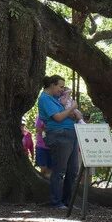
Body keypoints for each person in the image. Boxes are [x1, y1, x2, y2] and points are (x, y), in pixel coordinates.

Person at [38, 74, 82, 209]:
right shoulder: (45, 99)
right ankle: (56, 201)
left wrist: (70, 110)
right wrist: (71, 108)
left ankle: (67, 200)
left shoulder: (57, 98)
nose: (62, 90)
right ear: (52, 85)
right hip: (59, 135)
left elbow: (74, 115)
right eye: (60, 86)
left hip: (71, 134)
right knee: (60, 170)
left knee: (73, 169)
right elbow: (57, 117)